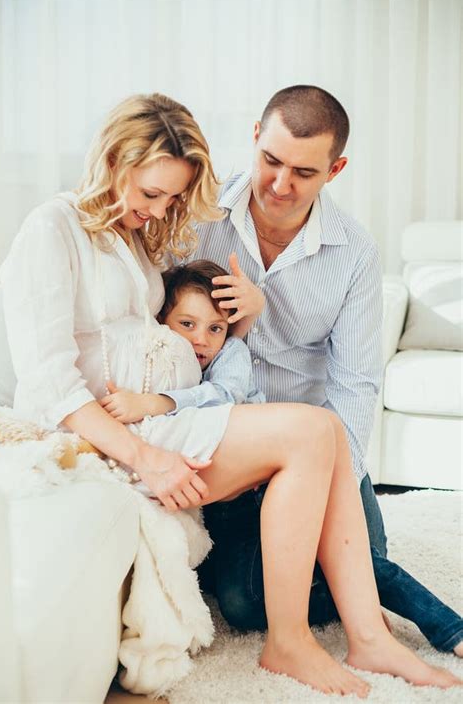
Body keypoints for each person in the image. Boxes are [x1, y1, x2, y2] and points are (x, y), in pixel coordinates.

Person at [0, 93, 459, 696]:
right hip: (120, 433)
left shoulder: (137, 235)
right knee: (276, 521)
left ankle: (367, 637)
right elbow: (49, 383)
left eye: (170, 198)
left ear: (333, 171)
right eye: (151, 194)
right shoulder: (57, 227)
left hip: (174, 420)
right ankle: (291, 642)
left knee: (325, 434)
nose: (161, 211)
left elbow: (348, 384)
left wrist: (238, 341)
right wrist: (150, 456)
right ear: (113, 161)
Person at [192, 85, 463, 657]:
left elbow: (356, 386)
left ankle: (424, 616)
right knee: (244, 606)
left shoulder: (355, 253)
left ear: (335, 169)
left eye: (304, 172)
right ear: (255, 139)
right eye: (271, 161)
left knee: (360, 561)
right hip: (229, 440)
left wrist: (324, 486)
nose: (280, 185)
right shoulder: (197, 216)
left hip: (320, 442)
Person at [98, 259, 265, 425]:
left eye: (215, 328)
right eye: (187, 324)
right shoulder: (159, 350)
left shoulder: (231, 351)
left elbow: (226, 396)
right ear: (161, 321)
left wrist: (154, 403)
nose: (201, 340)